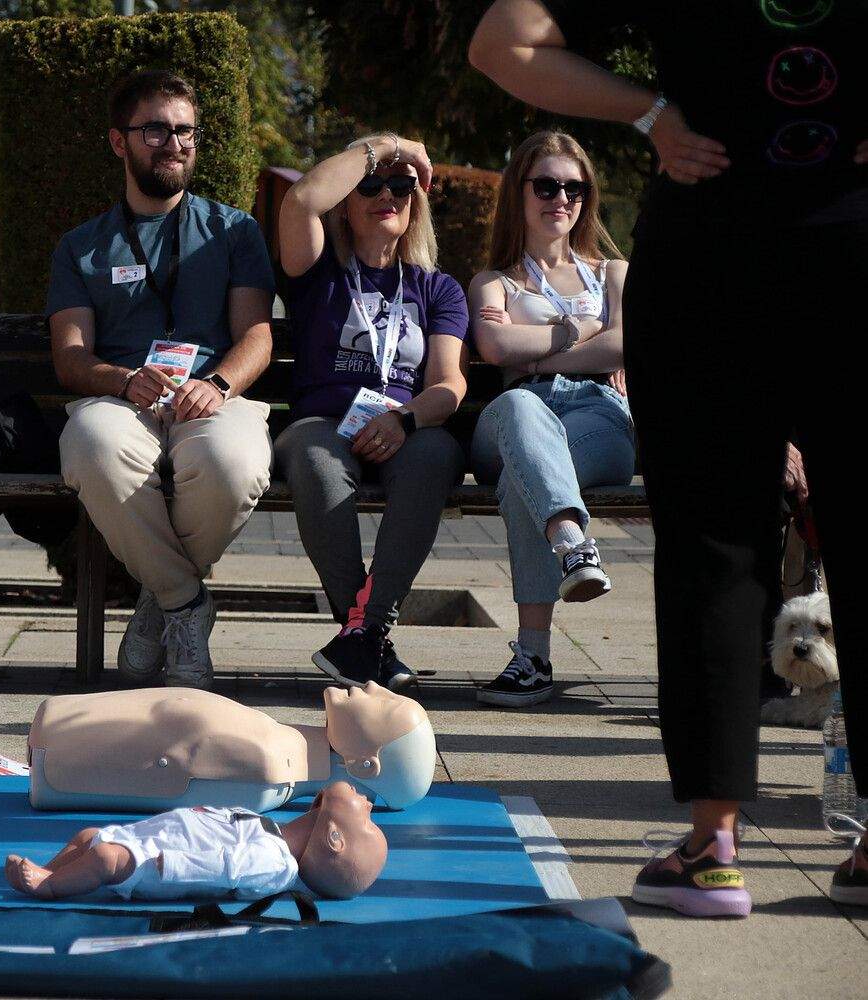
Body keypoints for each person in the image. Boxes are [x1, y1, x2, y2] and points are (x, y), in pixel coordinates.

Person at [471, 0, 867, 916]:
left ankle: (713, 843)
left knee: (713, 546)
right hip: (854, 240)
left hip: (711, 248)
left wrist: (653, 114)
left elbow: (503, 43)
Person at [48, 70, 276, 689]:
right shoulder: (82, 247)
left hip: (211, 394)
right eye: (155, 130)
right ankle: (185, 603)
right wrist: (121, 381)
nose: (173, 143)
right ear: (119, 143)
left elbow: (257, 334)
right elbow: (71, 358)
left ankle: (159, 603)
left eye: (184, 131)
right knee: (93, 446)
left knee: (233, 464)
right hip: (122, 398)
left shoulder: (234, 231)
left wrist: (222, 385)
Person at [275, 134, 470, 692]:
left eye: (401, 186)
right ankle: (367, 635)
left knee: (436, 453)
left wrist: (405, 419)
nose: (387, 194)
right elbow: (301, 201)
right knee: (316, 461)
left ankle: (364, 635)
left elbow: (449, 384)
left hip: (405, 426)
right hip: (321, 423)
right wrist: (389, 146)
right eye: (370, 185)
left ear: (417, 202)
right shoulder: (317, 271)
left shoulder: (439, 289)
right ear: (347, 201)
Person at [467, 130, 634, 709]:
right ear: (520, 192)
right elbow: (492, 345)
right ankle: (574, 544)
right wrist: (580, 330)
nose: (560, 198)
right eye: (546, 185)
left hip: (598, 418)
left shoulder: (613, 274)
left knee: (527, 477)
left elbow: (622, 348)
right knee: (518, 407)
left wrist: (535, 350)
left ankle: (532, 658)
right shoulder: (494, 281)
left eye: (574, 188)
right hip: (515, 415)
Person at [4, 781, 387, 901]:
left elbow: (225, 869)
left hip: (160, 864)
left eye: (367, 820)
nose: (368, 803)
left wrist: (173, 866)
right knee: (89, 837)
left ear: (334, 838)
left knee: (104, 858)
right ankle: (49, 868)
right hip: (153, 839)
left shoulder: (276, 862)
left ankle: (50, 886)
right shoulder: (273, 831)